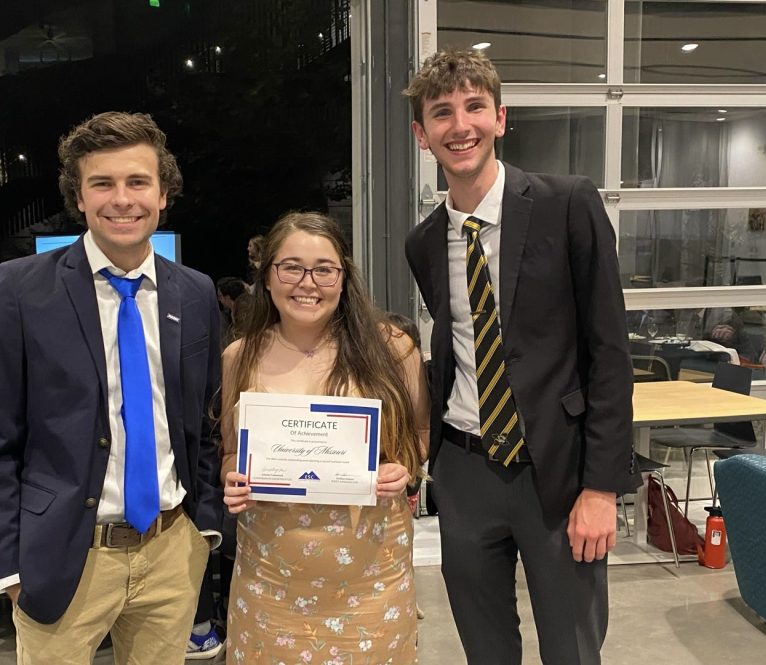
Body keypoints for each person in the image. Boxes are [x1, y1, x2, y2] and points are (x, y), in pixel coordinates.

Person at [403, 49, 635, 665]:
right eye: (442, 113)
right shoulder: (424, 242)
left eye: (474, 107)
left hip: (557, 472)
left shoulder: (568, 204)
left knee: (572, 649)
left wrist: (601, 488)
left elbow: (610, 355)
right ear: (422, 135)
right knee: (485, 649)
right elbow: (455, 348)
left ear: (500, 118)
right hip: (465, 470)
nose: (461, 125)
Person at [0, 111, 223, 665]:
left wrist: (203, 530)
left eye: (138, 182)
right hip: (63, 554)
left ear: (163, 194)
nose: (122, 199)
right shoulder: (22, 289)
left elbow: (206, 424)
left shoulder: (195, 292)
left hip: (172, 550)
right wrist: (8, 569)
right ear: (79, 197)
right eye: (102, 183)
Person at [222, 212, 429, 664]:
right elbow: (231, 451)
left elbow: (419, 434)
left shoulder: (393, 348)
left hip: (372, 580)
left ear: (344, 278)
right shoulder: (240, 356)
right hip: (270, 582)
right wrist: (233, 478)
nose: (307, 283)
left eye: (324, 269)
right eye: (291, 267)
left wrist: (404, 470)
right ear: (268, 277)